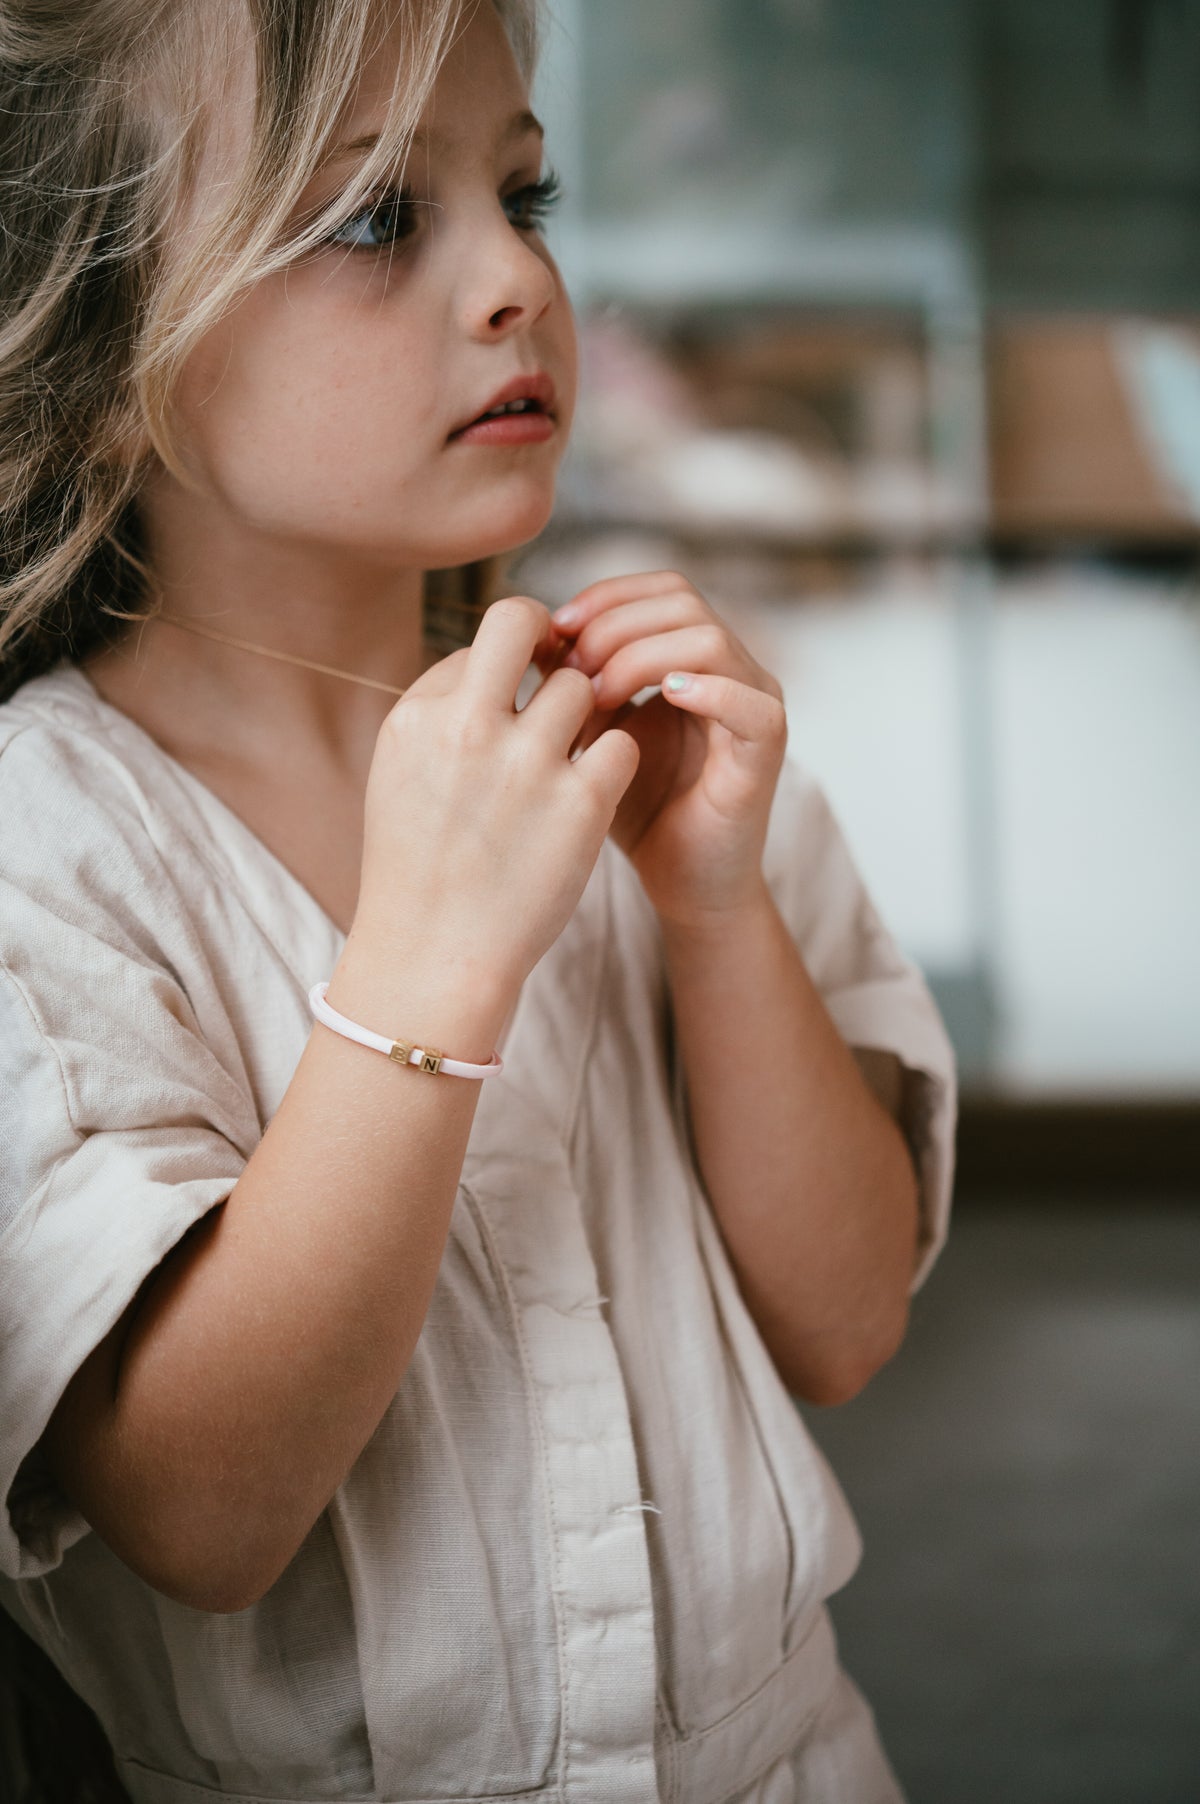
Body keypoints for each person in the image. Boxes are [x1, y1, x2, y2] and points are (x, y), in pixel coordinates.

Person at [0, 1, 957, 1799]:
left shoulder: (667, 751)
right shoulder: (38, 854)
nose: (515, 276)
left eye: (531, 192)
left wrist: (719, 912)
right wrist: (433, 965)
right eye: (375, 219)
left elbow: (844, 1325)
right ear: (102, 341)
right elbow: (202, 1515)